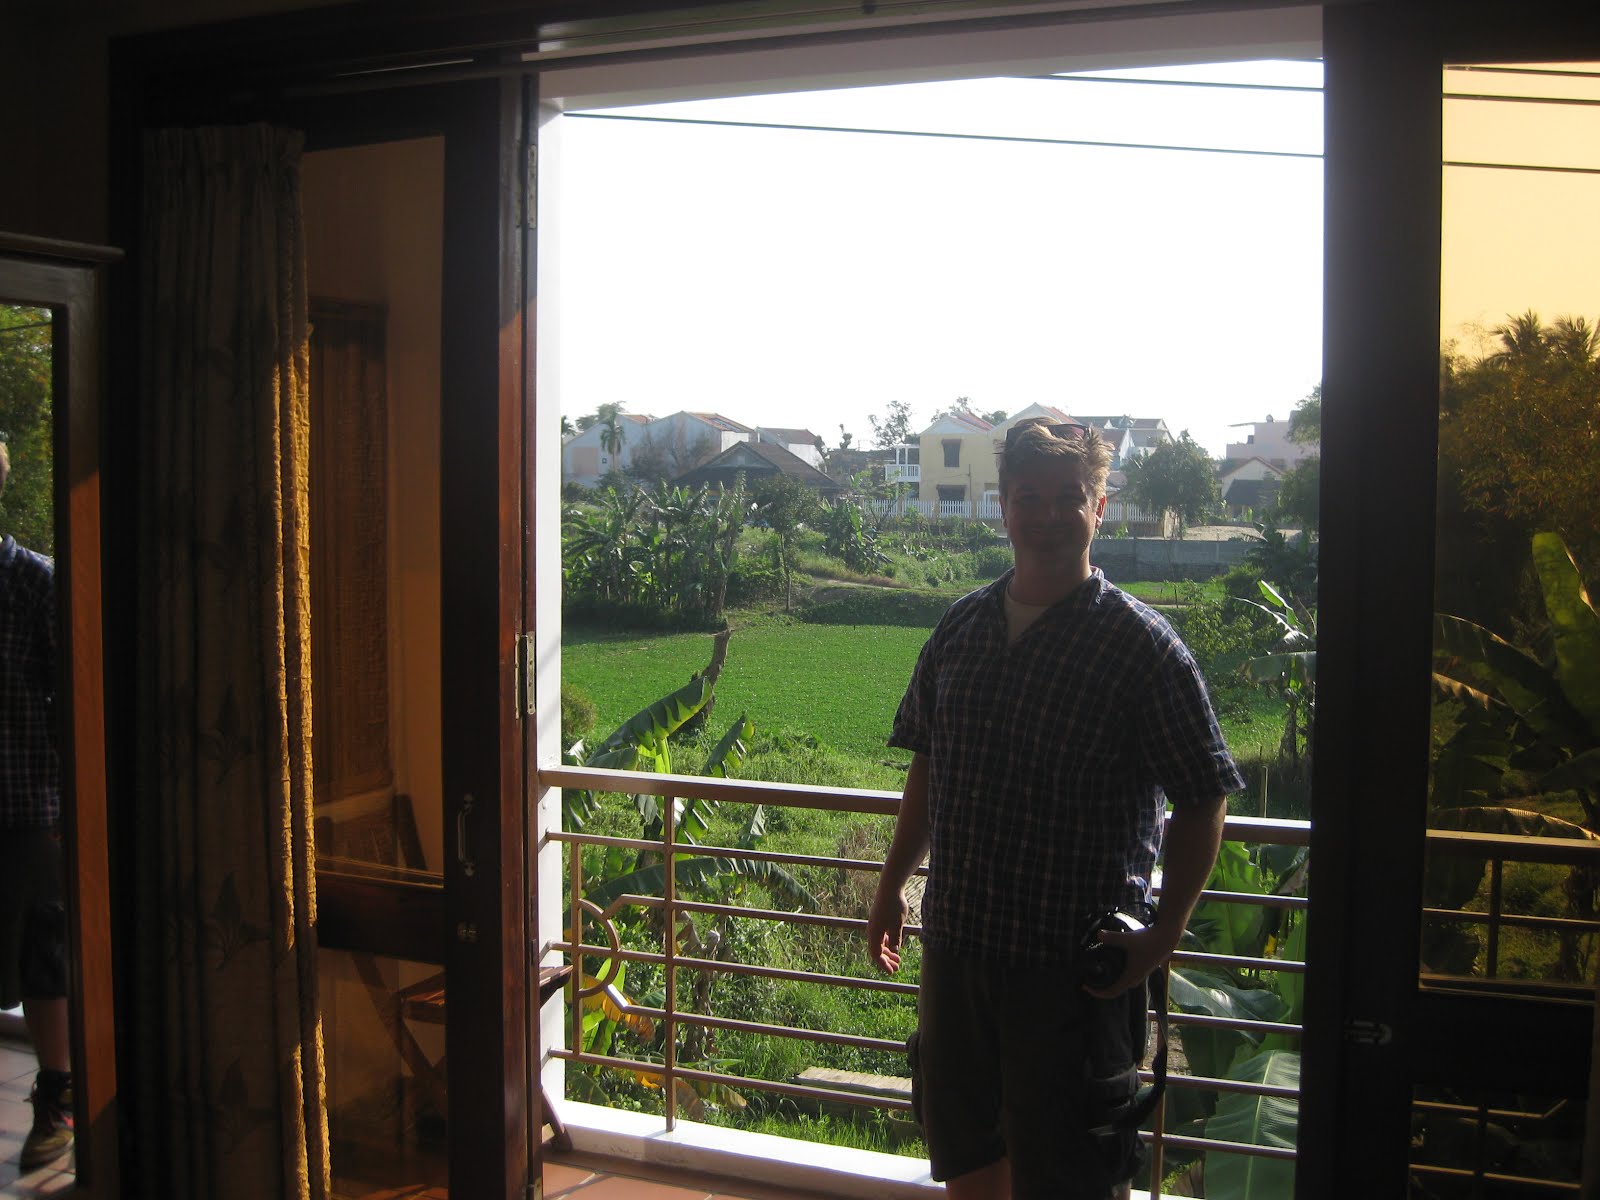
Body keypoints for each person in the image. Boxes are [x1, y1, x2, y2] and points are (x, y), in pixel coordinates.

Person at [866, 418, 1244, 1200]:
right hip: (960, 952)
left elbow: (1204, 796)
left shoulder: (1142, 647)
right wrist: (892, 882)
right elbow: (930, 766)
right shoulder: (960, 629)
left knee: (1073, 1176)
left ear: (1098, 507)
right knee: (967, 1159)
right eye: (1027, 497)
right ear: (1003, 507)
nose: (1045, 515)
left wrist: (1164, 935)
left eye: (1067, 497)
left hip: (1073, 976)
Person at [0, 441, 74, 1169]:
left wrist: (68, 809)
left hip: (27, 808)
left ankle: (57, 1099)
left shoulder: (35, 583)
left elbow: (75, 704)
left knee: (43, 957)